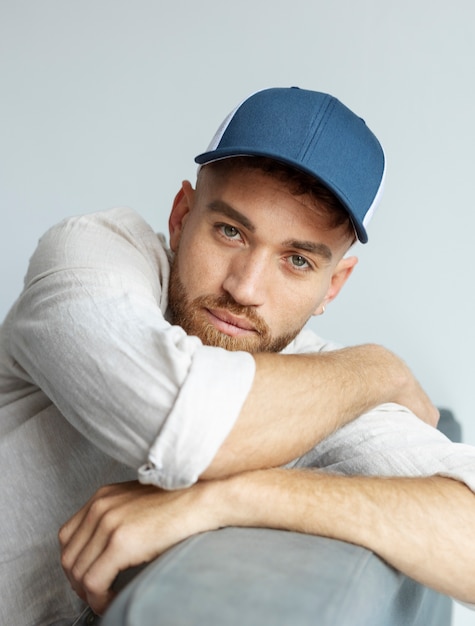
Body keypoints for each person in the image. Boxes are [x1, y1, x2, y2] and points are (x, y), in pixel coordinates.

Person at [0, 87, 474, 626]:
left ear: (333, 286)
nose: (245, 288)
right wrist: (380, 366)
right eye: (230, 231)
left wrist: (238, 497)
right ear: (181, 216)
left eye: (296, 260)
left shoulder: (323, 390)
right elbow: (181, 422)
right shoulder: (93, 254)